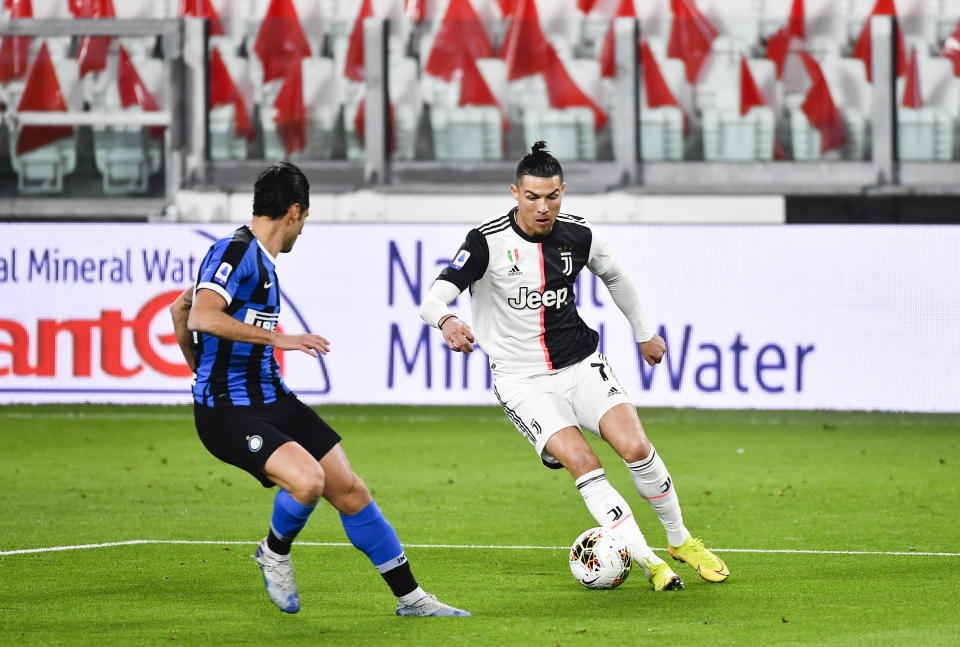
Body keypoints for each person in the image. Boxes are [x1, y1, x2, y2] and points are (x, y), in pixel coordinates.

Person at [419, 142, 729, 591]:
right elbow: (432, 299)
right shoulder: (485, 242)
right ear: (515, 193)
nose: (542, 208)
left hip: (580, 364)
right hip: (522, 381)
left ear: (563, 192)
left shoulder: (578, 235)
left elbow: (616, 276)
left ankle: (680, 541)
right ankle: (649, 562)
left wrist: (643, 332)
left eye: (551, 197)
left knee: (636, 447)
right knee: (583, 460)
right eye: (531, 197)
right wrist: (447, 320)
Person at [169, 161, 470, 617]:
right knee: (308, 481)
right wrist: (272, 343)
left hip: (272, 397)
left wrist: (199, 369)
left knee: (348, 488)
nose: (302, 231)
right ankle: (273, 551)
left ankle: (412, 600)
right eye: (304, 220)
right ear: (294, 212)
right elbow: (200, 316)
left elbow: (179, 306)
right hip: (229, 411)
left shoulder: (259, 261)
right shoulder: (236, 251)